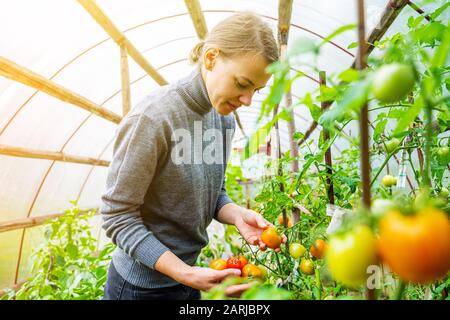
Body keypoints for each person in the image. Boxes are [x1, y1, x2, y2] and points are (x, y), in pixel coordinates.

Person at [101, 11, 284, 300]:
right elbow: (118, 216)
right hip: (139, 289)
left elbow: (214, 192)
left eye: (256, 90)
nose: (248, 101)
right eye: (242, 83)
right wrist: (185, 273)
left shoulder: (222, 120)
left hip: (188, 280)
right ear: (211, 58)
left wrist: (237, 215)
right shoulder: (153, 118)